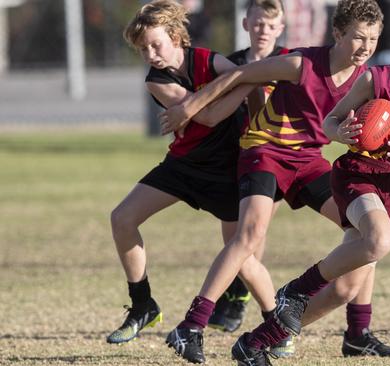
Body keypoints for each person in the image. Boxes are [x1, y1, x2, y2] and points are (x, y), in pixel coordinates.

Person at [160, 0, 390, 363]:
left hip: (308, 161)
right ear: (337, 34)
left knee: (367, 231)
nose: (367, 47)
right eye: (358, 38)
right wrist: (189, 106)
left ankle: (357, 333)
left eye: (373, 38)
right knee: (250, 236)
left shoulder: (364, 78)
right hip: (266, 152)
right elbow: (241, 74)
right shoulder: (301, 63)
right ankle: (191, 326)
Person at [230, 5, 390, 365]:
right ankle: (296, 289)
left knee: (346, 287)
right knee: (381, 240)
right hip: (356, 176)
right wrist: (344, 132)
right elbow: (329, 123)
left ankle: (258, 341)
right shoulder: (376, 80)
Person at [107, 1, 277, 356]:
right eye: (142, 49)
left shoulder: (209, 60)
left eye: (156, 44)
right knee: (122, 218)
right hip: (184, 166)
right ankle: (143, 305)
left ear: (174, 37)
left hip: (228, 169)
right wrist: (245, 80)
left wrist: (250, 89)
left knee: (241, 257)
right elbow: (212, 115)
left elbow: (254, 85)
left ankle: (276, 322)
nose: (151, 54)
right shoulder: (157, 81)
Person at [207, 0, 289, 350]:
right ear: (246, 23)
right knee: (237, 239)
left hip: (276, 158)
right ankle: (241, 294)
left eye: (271, 25)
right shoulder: (232, 64)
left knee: (252, 233)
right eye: (258, 24)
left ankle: (242, 299)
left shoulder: (291, 62)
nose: (263, 30)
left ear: (280, 28)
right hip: (237, 158)